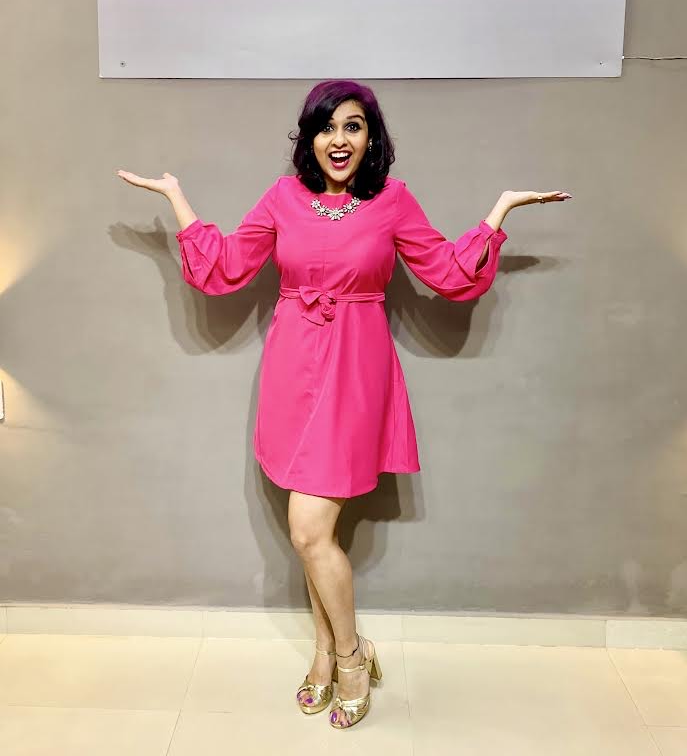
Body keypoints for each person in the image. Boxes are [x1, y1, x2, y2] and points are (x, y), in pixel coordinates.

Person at [117, 79, 572, 729]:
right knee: (315, 536)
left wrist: (498, 210)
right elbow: (227, 266)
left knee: (309, 529)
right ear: (309, 138)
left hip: (356, 369)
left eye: (353, 127)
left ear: (370, 138)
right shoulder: (283, 197)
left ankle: (353, 657)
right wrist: (177, 198)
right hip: (291, 368)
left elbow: (448, 272)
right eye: (326, 127)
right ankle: (325, 652)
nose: (339, 140)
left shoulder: (393, 201)